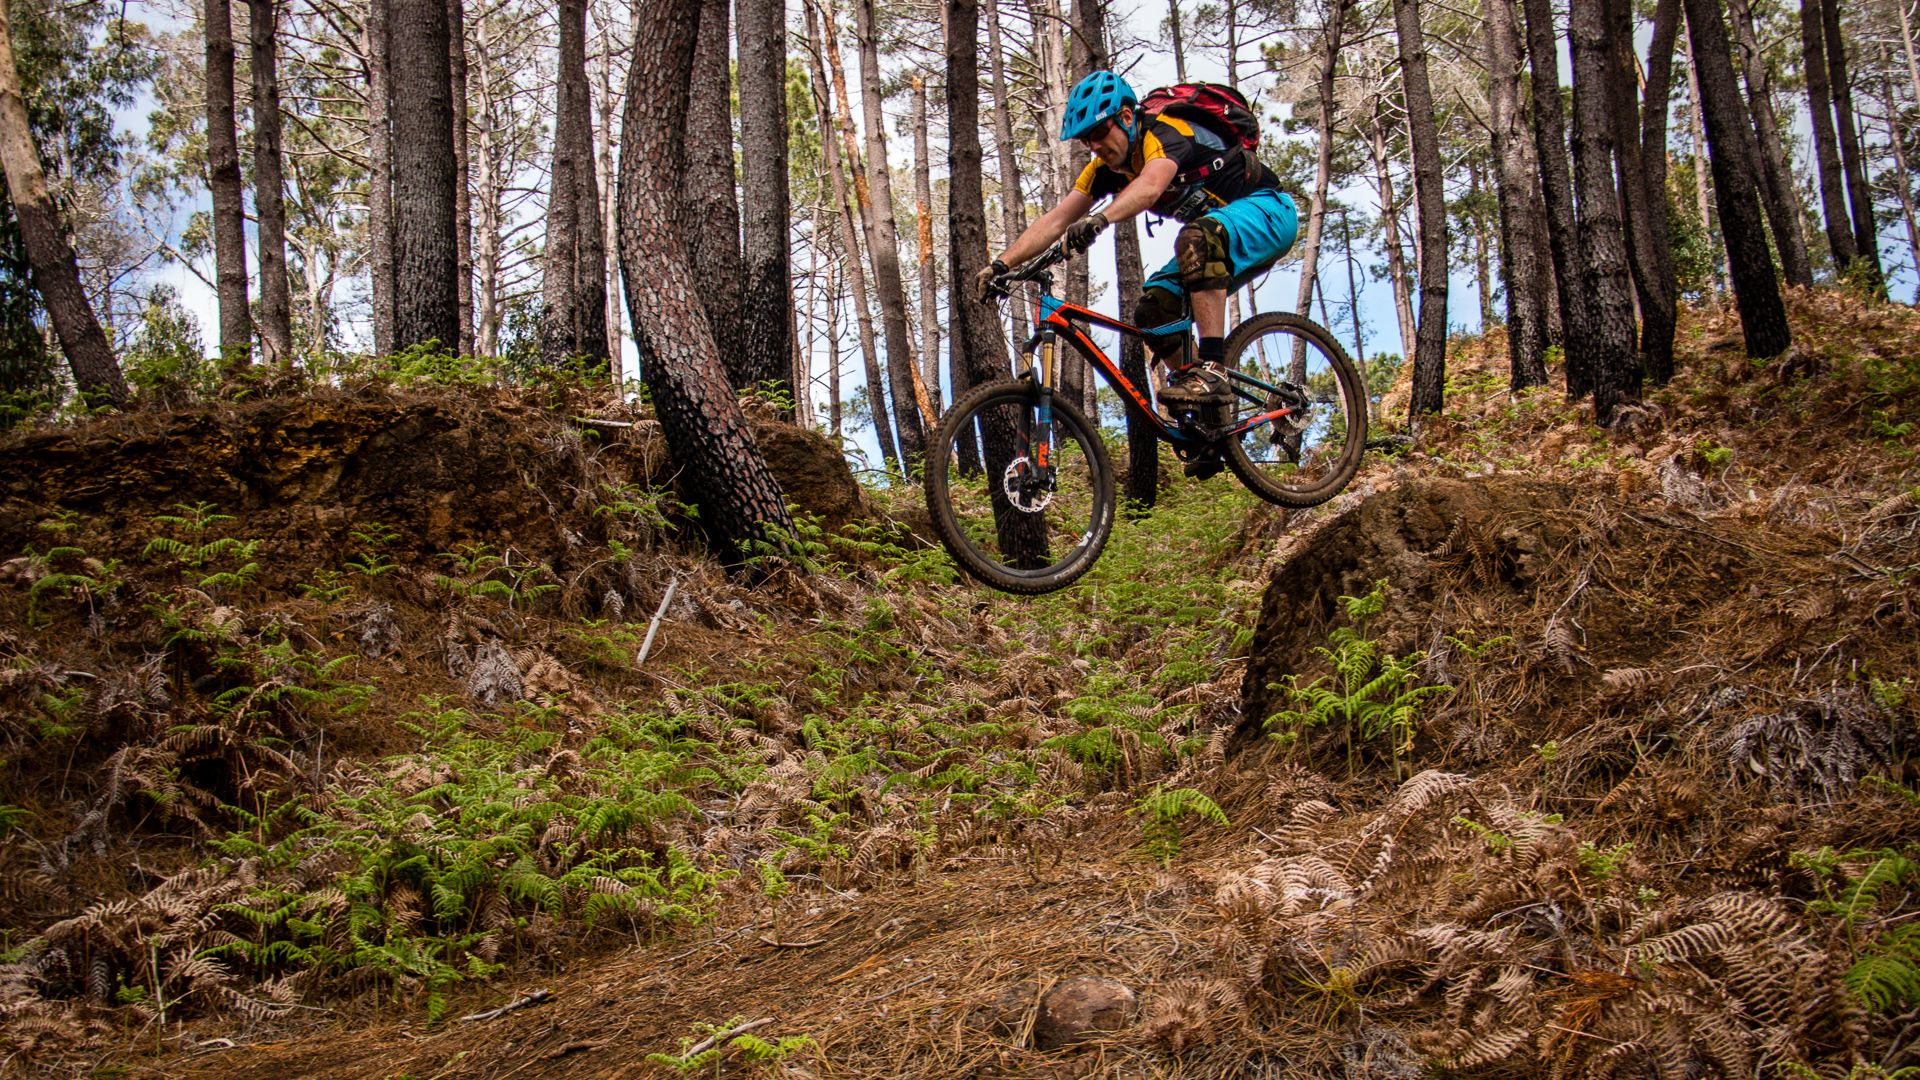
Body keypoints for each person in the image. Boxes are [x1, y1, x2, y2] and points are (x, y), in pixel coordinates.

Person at [977, 70, 1300, 419]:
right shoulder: (1103, 169)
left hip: (1269, 212)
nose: (1095, 146)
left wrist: (1101, 219)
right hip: (1221, 236)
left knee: (1196, 238)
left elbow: (1150, 186)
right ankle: (1210, 421)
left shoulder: (1165, 132)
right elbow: (1057, 219)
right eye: (1087, 140)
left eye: (1099, 132)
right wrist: (1002, 265)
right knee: (1154, 310)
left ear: (1127, 117)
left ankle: (1213, 371)